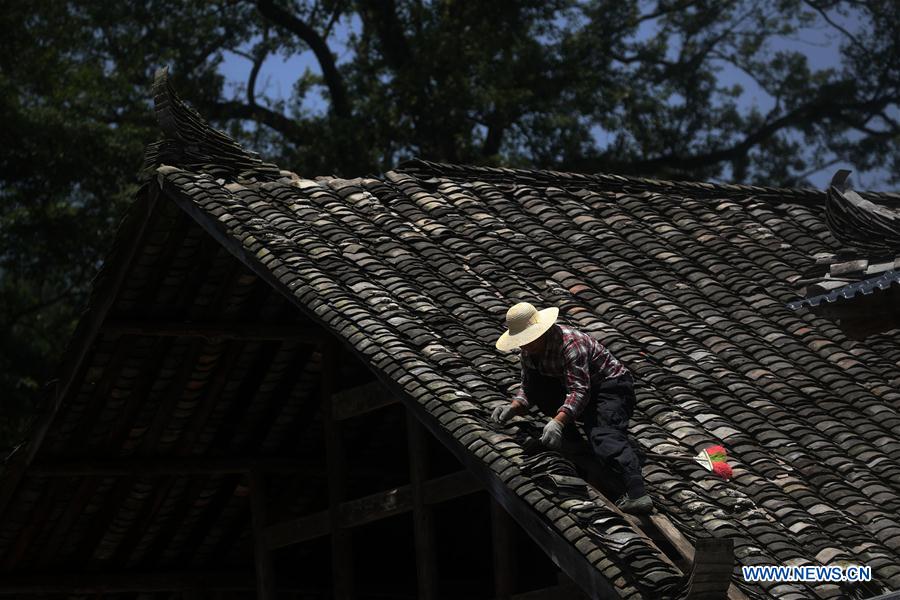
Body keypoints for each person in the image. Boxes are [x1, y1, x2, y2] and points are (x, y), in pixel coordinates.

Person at [492, 302, 653, 515]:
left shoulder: (570, 344)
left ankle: (637, 492)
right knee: (539, 384)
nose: (525, 346)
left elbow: (580, 391)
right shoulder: (528, 354)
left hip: (610, 388)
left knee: (603, 435)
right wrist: (513, 407)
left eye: (529, 340)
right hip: (573, 389)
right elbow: (529, 387)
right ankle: (572, 442)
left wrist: (558, 422)